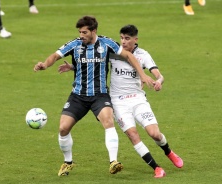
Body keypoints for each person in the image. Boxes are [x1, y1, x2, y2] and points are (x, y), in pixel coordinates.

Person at [33, 16, 155, 176]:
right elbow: (55, 56)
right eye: (80, 32)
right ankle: (68, 162)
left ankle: (113, 162)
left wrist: (143, 76)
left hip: (100, 95)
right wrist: (45, 64)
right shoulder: (74, 44)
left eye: (84, 32)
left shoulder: (106, 43)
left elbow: (129, 56)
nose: (81, 35)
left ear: (94, 31)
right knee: (63, 128)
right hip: (78, 96)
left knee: (108, 121)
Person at [58, 25, 183, 178]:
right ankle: (156, 168)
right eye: (122, 38)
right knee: (133, 134)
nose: (123, 42)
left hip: (138, 100)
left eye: (127, 39)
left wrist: (159, 81)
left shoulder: (143, 55)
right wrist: (72, 67)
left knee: (155, 134)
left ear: (135, 40)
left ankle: (169, 152)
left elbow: (158, 74)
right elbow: (92, 62)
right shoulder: (113, 52)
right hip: (118, 102)